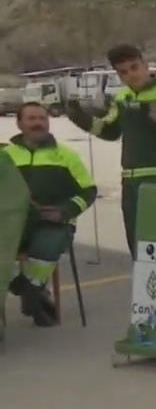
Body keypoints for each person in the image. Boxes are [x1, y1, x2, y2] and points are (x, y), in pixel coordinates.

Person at [66, 44, 156, 258]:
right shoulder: (122, 98)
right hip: (130, 183)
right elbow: (110, 131)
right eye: (123, 72)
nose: (130, 75)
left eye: (134, 67)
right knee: (137, 246)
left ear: (146, 65)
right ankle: (145, 288)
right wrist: (79, 116)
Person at [4, 102, 97, 327]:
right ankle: (30, 292)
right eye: (32, 119)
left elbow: (89, 190)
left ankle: (30, 292)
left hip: (54, 222)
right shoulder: (5, 156)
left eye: (42, 119)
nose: (38, 123)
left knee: (45, 247)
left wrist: (64, 211)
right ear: (19, 123)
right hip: (13, 224)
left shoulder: (65, 155)